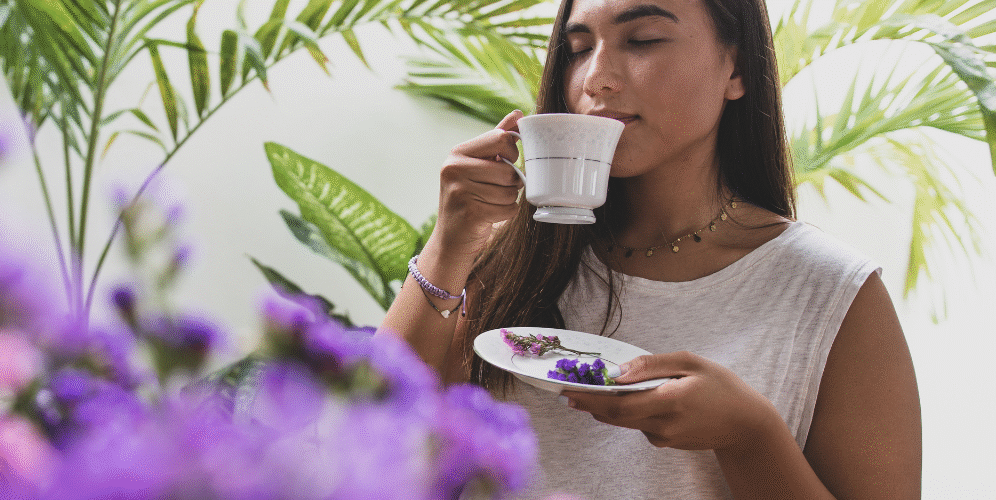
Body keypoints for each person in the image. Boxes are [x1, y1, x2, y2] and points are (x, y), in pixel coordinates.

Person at [376, 0, 922, 497]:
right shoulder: (503, 259)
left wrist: (749, 436)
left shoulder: (830, 295)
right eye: (579, 48)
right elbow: (367, 432)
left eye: (642, 40)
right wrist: (448, 248)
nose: (597, 78)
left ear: (736, 70)